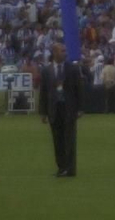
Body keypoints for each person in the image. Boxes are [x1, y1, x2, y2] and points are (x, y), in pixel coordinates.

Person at [38, 43, 82, 177]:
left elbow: (79, 90)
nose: (65, 53)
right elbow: (44, 92)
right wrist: (43, 112)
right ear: (55, 53)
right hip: (54, 109)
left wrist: (80, 108)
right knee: (57, 140)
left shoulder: (72, 69)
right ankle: (61, 167)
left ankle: (70, 168)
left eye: (64, 50)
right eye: (62, 51)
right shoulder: (47, 71)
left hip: (68, 109)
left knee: (69, 139)